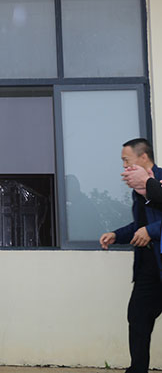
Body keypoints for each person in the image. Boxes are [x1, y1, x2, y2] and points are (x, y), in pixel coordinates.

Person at [100, 138, 162, 373]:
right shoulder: (139, 191)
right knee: (137, 317)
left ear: (143, 157)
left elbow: (150, 227)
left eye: (127, 161)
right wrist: (116, 235)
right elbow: (140, 224)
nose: (124, 168)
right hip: (148, 267)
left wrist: (151, 231)